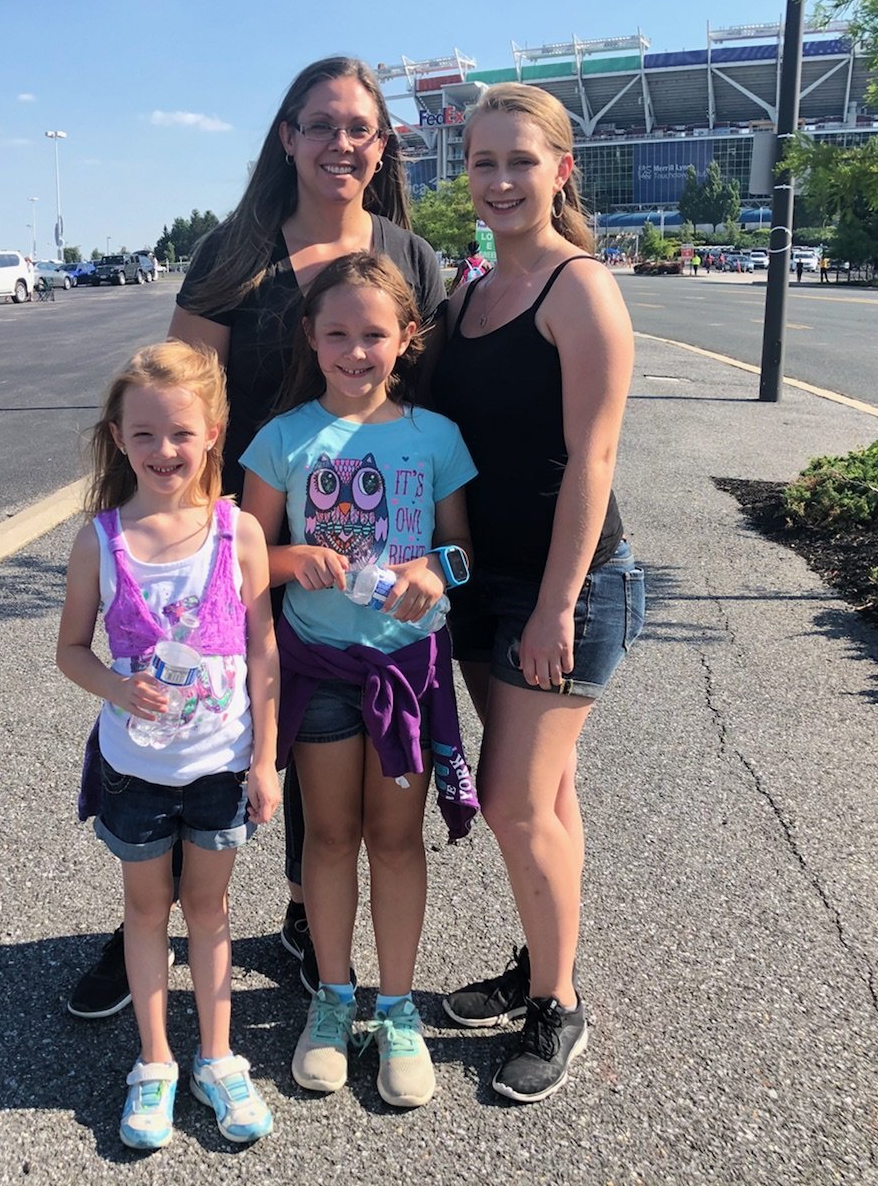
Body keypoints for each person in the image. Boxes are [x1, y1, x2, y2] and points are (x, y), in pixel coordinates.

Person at [62, 54, 448, 1016]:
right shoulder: (236, 252)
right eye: (320, 125)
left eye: (359, 128)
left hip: (358, 562)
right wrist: (174, 531)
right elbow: (178, 397)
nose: (339, 144)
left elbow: (429, 407)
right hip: (234, 538)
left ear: (383, 144)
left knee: (310, 738)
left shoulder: (411, 259)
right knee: (187, 720)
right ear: (287, 138)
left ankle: (302, 915)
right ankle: (150, 914)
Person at [430, 83, 645, 1104]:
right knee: (545, 798)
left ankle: (558, 1006)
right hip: (484, 581)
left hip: (570, 583)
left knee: (513, 798)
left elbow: (593, 459)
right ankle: (541, 962)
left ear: (561, 171)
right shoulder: (469, 293)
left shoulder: (579, 289)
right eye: (484, 161)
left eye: (521, 160)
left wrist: (558, 605)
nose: (501, 180)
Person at [241, 251, 477, 1109]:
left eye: (373, 334)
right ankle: (333, 998)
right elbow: (245, 561)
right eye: (336, 333)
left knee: (397, 840)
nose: (354, 351)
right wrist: (289, 559)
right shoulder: (280, 440)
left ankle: (398, 1007)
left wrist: (435, 572)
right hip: (318, 668)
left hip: (407, 671)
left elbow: (460, 549)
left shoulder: (436, 436)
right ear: (310, 337)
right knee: (331, 837)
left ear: (407, 337)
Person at [55, 341, 281, 1148]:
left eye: (181, 433)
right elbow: (70, 650)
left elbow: (263, 652)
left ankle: (219, 1058)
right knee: (147, 911)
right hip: (136, 772)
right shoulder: (100, 542)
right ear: (118, 438)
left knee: (210, 912)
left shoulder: (238, 533)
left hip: (220, 766)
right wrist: (116, 689)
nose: (164, 450)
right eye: (144, 434)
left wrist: (264, 760)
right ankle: (154, 1062)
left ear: (213, 433)